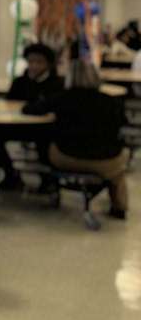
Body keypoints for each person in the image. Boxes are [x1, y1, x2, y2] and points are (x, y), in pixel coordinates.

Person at [24, 60, 128, 219]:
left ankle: (48, 186)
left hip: (67, 156)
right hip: (106, 160)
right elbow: (121, 124)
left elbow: (30, 109)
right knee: (118, 172)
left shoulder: (62, 98)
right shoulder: (112, 101)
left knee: (44, 140)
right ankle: (119, 206)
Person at [0, 42, 62, 192]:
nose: (34, 66)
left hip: (44, 127)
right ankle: (10, 174)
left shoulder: (56, 83)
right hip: (19, 124)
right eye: (31, 61)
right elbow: (9, 104)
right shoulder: (20, 82)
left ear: (48, 64)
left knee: (47, 141)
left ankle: (48, 179)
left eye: (39, 62)